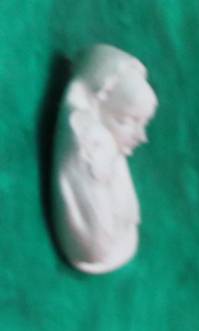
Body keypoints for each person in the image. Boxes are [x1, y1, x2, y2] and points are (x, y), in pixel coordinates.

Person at [53, 45, 158, 275]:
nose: (142, 137)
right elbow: (95, 249)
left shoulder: (112, 156)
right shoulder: (92, 143)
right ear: (95, 106)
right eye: (126, 121)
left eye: (143, 123)